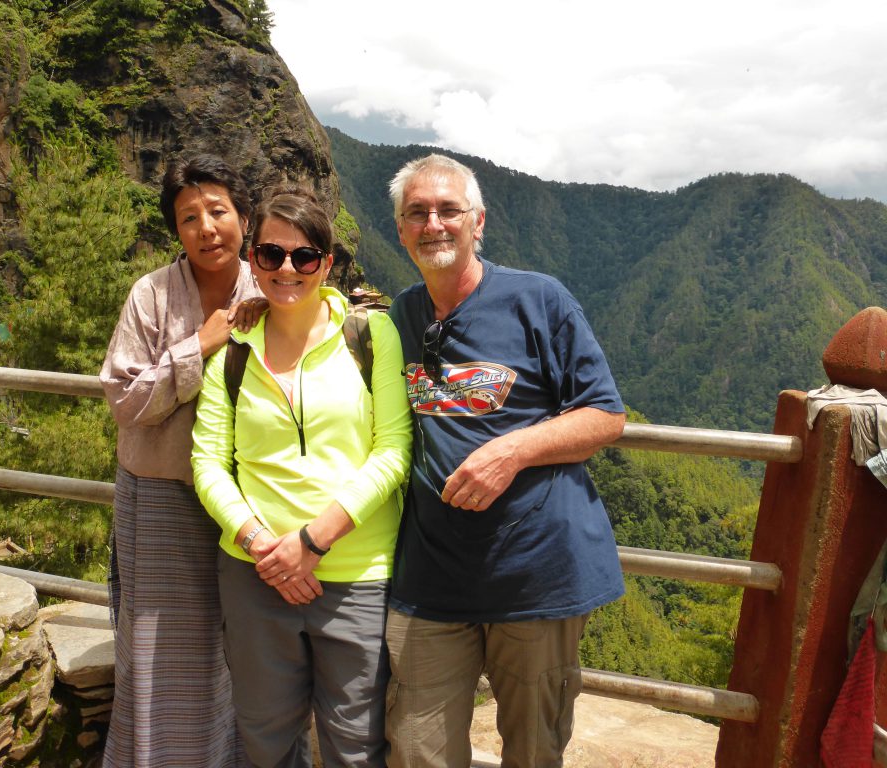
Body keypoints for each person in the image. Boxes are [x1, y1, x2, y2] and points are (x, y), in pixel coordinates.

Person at [383, 154, 627, 768]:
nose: (433, 223)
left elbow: (604, 415)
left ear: (478, 222)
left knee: (534, 750)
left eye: (448, 211)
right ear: (400, 228)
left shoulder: (538, 300)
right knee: (416, 749)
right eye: (417, 213)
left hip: (534, 573)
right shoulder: (402, 317)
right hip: (432, 578)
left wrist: (511, 452)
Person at [191, 186, 412, 768]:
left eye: (304, 257)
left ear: (326, 263)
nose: (287, 269)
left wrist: (312, 543)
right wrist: (266, 547)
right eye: (270, 255)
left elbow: (393, 450)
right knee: (264, 740)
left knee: (356, 745)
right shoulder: (233, 352)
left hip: (357, 572)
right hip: (255, 575)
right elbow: (209, 462)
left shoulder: (369, 337)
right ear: (252, 260)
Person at [99, 153, 265, 768]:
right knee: (159, 652)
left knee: (242, 647)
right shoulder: (152, 295)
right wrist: (198, 345)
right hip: (163, 498)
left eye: (218, 211)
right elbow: (124, 399)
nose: (206, 228)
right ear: (176, 230)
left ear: (243, 218)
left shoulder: (270, 287)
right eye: (189, 216)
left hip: (250, 502)